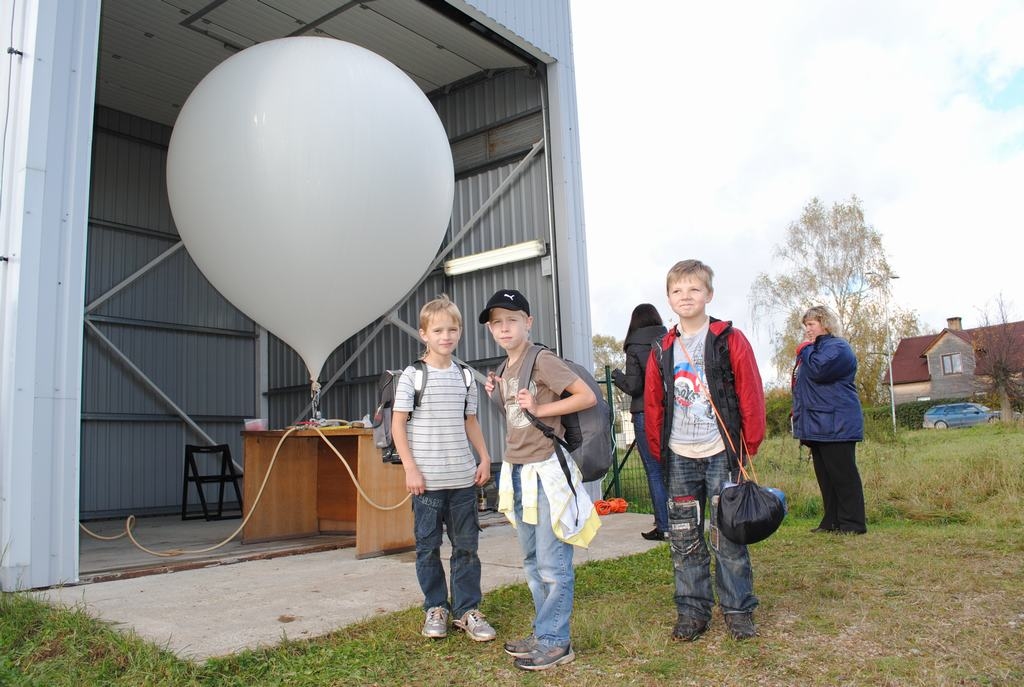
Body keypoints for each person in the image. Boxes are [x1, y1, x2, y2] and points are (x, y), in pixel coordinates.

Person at [479, 288, 601, 671]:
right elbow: (517, 418)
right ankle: (542, 631)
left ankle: (556, 641)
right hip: (517, 470)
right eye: (497, 322)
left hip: (546, 469)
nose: (504, 328)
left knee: (552, 561)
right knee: (532, 561)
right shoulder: (503, 368)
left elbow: (586, 396)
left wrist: (543, 407)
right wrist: (496, 394)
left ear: (527, 322)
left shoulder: (541, 359)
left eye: (511, 320)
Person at [644, 259, 766, 642]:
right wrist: (659, 450)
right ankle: (692, 611)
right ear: (668, 298)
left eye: (694, 289)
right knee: (683, 538)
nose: (686, 296)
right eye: (678, 290)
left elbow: (750, 393)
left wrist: (748, 445)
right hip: (680, 455)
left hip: (720, 452)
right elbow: (653, 403)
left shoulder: (730, 339)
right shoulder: (661, 348)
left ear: (708, 294)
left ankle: (737, 609)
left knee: (727, 535)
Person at [391, 295, 495, 642]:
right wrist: (410, 469)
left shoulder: (465, 377)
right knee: (428, 548)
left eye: (452, 329)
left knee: (466, 548)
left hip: (463, 480)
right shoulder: (412, 376)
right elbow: (397, 426)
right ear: (424, 334)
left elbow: (471, 421)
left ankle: (467, 611)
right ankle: (435, 607)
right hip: (427, 483)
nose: (446, 336)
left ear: (460, 332)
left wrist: (483, 457)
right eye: (438, 330)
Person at [791, 305, 867, 535]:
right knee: (826, 477)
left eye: (811, 325)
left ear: (825, 323)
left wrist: (804, 349)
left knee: (843, 476)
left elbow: (819, 370)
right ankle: (832, 521)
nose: (807, 331)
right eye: (805, 326)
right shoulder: (815, 350)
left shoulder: (838, 348)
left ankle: (853, 524)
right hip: (818, 424)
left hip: (837, 424)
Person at [612, 304, 669, 541]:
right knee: (674, 469)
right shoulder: (669, 340)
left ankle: (664, 526)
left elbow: (634, 386)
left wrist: (616, 376)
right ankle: (682, 522)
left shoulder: (634, 345)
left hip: (645, 412)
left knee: (654, 472)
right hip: (671, 411)